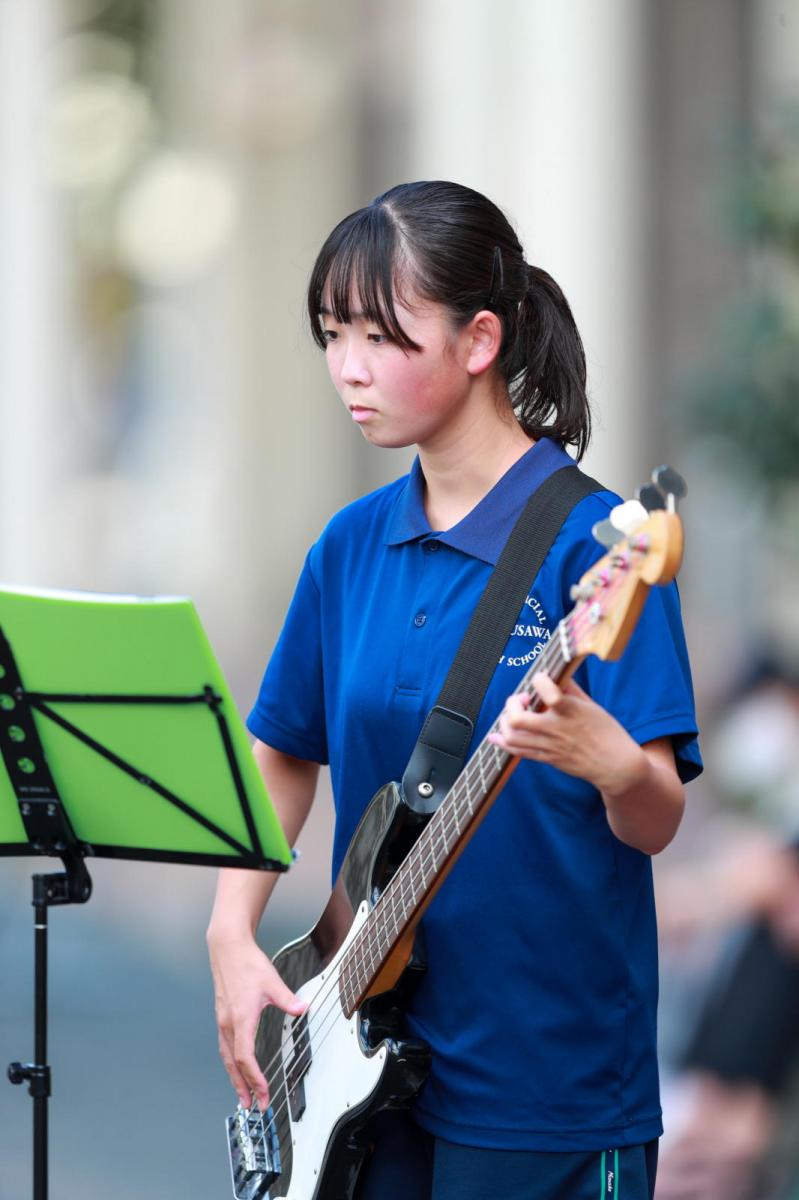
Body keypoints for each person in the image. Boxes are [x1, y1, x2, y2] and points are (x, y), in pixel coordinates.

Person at [206, 180, 702, 1200]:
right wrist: (230, 927)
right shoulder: (349, 546)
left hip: (548, 1082)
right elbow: (284, 751)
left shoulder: (595, 549)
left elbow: (654, 820)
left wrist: (612, 764)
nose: (348, 368)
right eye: (331, 335)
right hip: (359, 1060)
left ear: (479, 341)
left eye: (379, 336)